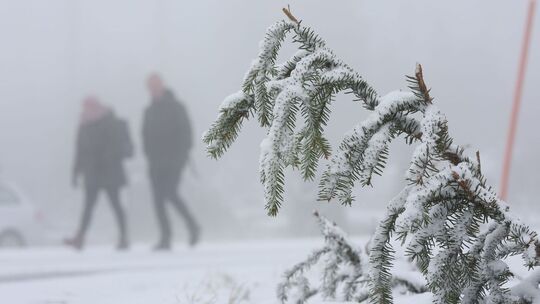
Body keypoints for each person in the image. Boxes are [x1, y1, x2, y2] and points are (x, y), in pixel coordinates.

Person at [66, 96, 133, 250]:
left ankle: (124, 236)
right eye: (85, 107)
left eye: (89, 106)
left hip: (109, 172)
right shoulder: (84, 125)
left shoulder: (110, 122)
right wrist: (75, 172)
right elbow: (80, 151)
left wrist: (105, 157)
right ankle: (80, 237)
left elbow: (116, 145)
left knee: (115, 204)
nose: (86, 109)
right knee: (88, 206)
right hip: (92, 173)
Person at [143, 74, 199, 250]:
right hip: (155, 162)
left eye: (155, 86)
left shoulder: (176, 107)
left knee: (170, 193)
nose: (153, 90)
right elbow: (144, 135)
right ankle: (165, 237)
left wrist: (181, 155)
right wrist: (149, 155)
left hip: (174, 160)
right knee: (158, 200)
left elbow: (186, 132)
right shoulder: (149, 111)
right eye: (150, 87)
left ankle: (192, 225)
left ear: (162, 86)